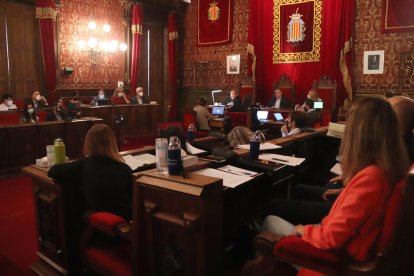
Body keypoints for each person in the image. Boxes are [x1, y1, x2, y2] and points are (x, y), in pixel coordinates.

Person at [262, 97, 409, 273]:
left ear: (358, 132)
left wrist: (304, 231)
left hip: (337, 260)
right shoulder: (389, 168)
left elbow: (330, 238)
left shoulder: (371, 177)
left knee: (269, 222)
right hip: (344, 244)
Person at [48, 124, 133, 220]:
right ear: (112, 142)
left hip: (100, 222)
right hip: (126, 219)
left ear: (88, 143)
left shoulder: (83, 164)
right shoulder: (125, 169)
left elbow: (52, 171)